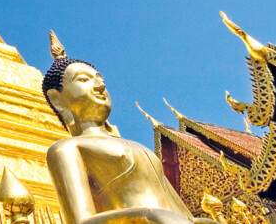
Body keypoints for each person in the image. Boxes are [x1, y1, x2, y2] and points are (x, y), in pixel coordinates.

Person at [42, 31, 215, 224]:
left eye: (100, 79)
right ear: (57, 100)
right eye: (84, 80)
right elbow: (82, 221)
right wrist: (147, 216)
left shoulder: (139, 147)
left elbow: (182, 215)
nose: (99, 85)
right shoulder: (66, 149)